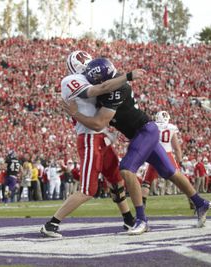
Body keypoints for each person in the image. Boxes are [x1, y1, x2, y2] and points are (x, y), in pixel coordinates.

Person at [63, 57, 211, 233]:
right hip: (140, 134)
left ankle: (141, 220)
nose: (89, 81)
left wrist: (76, 115)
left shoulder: (116, 89)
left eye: (93, 78)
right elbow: (99, 89)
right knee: (170, 172)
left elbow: (98, 123)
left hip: (145, 132)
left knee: (126, 169)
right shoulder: (111, 84)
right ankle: (200, 203)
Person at [41, 50, 145, 238]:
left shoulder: (89, 77)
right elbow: (99, 89)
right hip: (88, 137)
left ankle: (128, 219)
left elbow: (106, 86)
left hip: (100, 137)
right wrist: (127, 77)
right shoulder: (71, 80)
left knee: (116, 180)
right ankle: (52, 224)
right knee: (89, 189)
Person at [142, 111, 182, 206]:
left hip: (155, 154)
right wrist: (179, 161)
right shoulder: (171, 127)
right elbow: (176, 148)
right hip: (167, 154)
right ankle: (192, 200)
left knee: (147, 181)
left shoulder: (152, 126)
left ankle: (141, 204)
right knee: (180, 179)